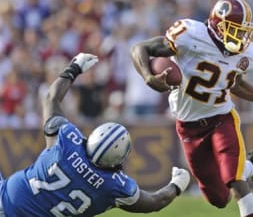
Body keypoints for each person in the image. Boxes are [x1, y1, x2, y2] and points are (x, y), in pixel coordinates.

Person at [130, 0, 253, 217]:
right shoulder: (189, 34)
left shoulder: (247, 55)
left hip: (222, 118)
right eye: (235, 30)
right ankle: (251, 164)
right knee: (219, 199)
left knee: (236, 181)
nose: (240, 37)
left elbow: (236, 85)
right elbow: (139, 48)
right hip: (189, 127)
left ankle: (243, 173)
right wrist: (147, 76)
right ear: (218, 25)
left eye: (243, 31)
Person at [0, 53, 191, 216]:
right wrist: (176, 186)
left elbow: (51, 99)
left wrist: (73, 68)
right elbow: (154, 202)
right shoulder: (114, 186)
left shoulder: (67, 142)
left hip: (5, 199)